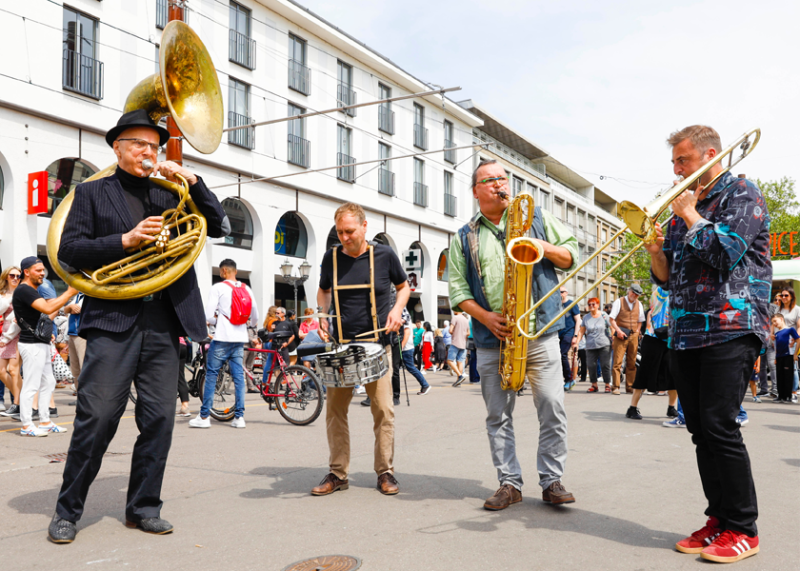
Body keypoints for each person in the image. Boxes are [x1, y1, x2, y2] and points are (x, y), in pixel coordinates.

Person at [48, 109, 228, 544]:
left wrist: (191, 179)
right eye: (139, 144)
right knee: (98, 418)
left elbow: (218, 225)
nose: (149, 152)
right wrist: (125, 241)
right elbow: (69, 252)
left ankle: (144, 507)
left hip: (164, 321)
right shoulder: (92, 193)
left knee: (160, 421)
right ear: (118, 148)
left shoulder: (169, 192)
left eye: (155, 146)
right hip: (113, 321)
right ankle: (68, 510)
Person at [647, 125, 769, 563]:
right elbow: (667, 278)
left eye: (683, 160)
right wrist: (657, 251)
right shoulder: (686, 206)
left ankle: (743, 528)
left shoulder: (742, 193)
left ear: (711, 154)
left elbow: (724, 253)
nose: (676, 169)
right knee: (700, 431)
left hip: (730, 326)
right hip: (686, 330)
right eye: (675, 162)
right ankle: (719, 518)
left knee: (720, 426)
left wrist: (691, 216)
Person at [448, 159, 577, 510]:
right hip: (494, 338)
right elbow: (458, 290)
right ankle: (509, 482)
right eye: (490, 180)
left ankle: (551, 480)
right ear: (476, 191)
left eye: (503, 178)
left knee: (551, 406)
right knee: (497, 415)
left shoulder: (536, 217)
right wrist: (486, 317)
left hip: (541, 332)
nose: (500, 185)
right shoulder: (464, 236)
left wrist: (539, 245)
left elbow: (570, 256)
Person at [312, 203, 409, 496]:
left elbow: (404, 287)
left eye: (350, 231)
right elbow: (324, 290)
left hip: (377, 346)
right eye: (340, 232)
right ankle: (338, 473)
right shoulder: (331, 258)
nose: (344, 237)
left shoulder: (385, 255)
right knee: (335, 411)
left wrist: (397, 311)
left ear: (365, 227)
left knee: (383, 411)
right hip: (342, 347)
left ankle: (385, 472)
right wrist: (322, 315)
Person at [190, 259, 259, 429]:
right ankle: (239, 417)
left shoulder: (218, 288)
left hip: (222, 338)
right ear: (235, 271)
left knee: (212, 374)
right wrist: (248, 326)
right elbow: (255, 314)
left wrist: (216, 321)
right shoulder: (246, 288)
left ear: (223, 272)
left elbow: (207, 316)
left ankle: (204, 417)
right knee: (239, 377)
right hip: (239, 339)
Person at [12, 258, 76, 437]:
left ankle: (45, 421)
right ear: (27, 272)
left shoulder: (31, 290)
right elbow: (47, 309)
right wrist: (69, 292)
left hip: (41, 341)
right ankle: (26, 425)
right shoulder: (25, 290)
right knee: (31, 385)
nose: (42, 273)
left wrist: (64, 308)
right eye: (38, 270)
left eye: (43, 270)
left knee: (48, 381)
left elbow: (46, 313)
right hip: (31, 344)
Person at [625, 286, 678, 419]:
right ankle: (632, 408)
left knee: (673, 374)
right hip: (653, 338)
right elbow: (665, 285)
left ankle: (671, 408)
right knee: (645, 373)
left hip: (670, 339)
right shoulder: (660, 292)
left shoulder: (680, 295)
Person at [608, 284, 645, 395]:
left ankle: (630, 386)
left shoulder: (639, 304)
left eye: (637, 295)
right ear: (629, 291)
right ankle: (615, 387)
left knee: (632, 362)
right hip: (621, 335)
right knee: (617, 362)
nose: (634, 296)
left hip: (633, 335)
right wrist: (618, 331)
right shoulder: (619, 302)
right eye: (633, 293)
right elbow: (611, 319)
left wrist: (637, 331)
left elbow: (640, 320)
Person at [576, 298, 612, 393]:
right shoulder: (586, 317)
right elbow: (581, 331)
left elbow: (612, 327)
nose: (591, 306)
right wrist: (577, 342)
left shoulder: (604, 316)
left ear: (598, 305)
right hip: (590, 345)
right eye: (589, 304)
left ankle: (607, 384)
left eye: (593, 304)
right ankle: (594, 385)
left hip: (604, 344)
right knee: (591, 365)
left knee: (605, 365)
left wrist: (614, 338)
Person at [0, 267, 22, 418]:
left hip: (17, 334)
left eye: (18, 276)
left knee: (14, 371)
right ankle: (23, 400)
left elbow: (19, 319)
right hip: (3, 334)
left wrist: (6, 338)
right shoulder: (2, 295)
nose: (15, 278)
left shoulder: (21, 294)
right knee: (1, 371)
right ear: (6, 277)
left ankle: (18, 403)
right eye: (12, 275)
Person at [397, 307, 430, 395]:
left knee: (410, 367)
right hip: (406, 347)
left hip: (406, 348)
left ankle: (425, 384)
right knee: (397, 368)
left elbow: (407, 334)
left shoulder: (405, 317)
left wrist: (401, 348)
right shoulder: (403, 317)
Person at [771, 313, 799, 403]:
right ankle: (781, 396)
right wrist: (775, 357)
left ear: (781, 319)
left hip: (788, 356)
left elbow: (798, 340)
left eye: (775, 321)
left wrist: (795, 354)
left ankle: (788, 396)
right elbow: (776, 346)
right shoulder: (777, 333)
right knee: (779, 376)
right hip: (779, 357)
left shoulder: (790, 330)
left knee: (788, 376)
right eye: (773, 322)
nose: (774, 323)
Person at [558, 288, 582, 391]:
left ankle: (569, 379)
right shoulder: (556, 305)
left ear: (566, 293)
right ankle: (561, 379)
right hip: (558, 333)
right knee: (557, 357)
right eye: (558, 292)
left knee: (563, 354)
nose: (560, 294)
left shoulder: (572, 304)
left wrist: (575, 336)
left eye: (562, 292)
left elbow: (578, 320)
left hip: (569, 333)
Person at [448, 310, 470, 386]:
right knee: (460, 362)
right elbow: (468, 333)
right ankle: (458, 381)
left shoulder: (455, 318)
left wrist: (456, 332)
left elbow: (450, 330)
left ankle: (460, 376)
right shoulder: (466, 319)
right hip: (463, 343)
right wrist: (462, 334)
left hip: (455, 342)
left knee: (449, 360)